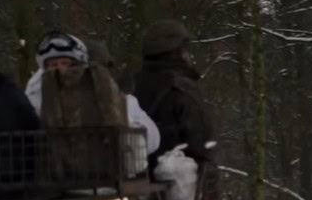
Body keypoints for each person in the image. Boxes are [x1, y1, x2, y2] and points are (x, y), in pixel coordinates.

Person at [25, 31, 161, 154]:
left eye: (64, 63)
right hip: (54, 173)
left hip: (103, 170)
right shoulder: (36, 95)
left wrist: (125, 126)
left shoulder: (109, 93)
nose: (59, 70)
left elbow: (152, 139)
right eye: (53, 65)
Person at [133, 19, 213, 168]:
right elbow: (201, 144)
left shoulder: (127, 85)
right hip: (174, 179)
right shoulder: (182, 88)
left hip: (133, 179)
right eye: (185, 49)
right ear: (178, 52)